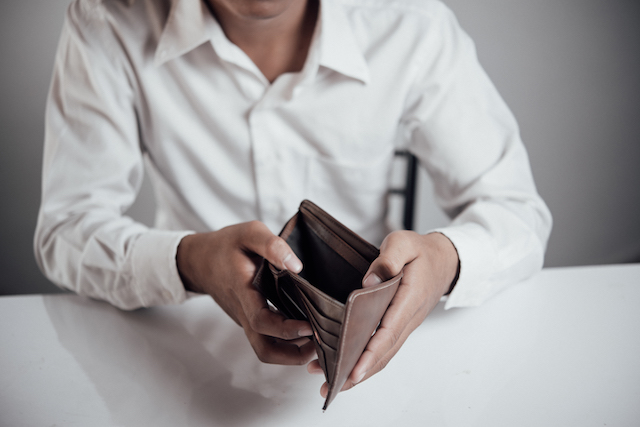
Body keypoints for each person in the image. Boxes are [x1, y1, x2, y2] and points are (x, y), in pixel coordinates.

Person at [34, 0, 552, 399]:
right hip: (181, 353)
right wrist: (189, 261)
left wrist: (446, 259)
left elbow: (518, 212)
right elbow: (67, 229)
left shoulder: (410, 23)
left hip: (374, 369)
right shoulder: (107, 20)